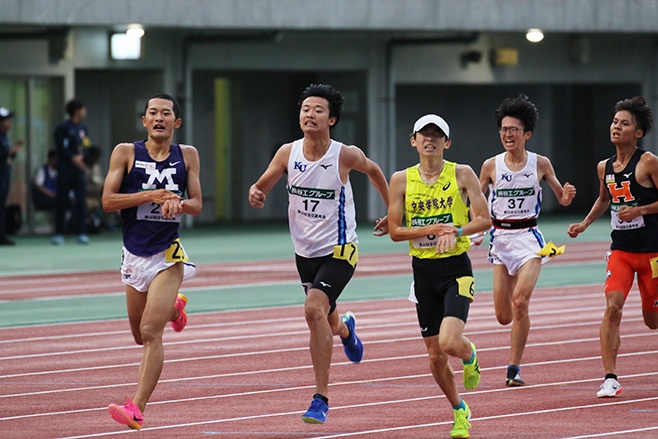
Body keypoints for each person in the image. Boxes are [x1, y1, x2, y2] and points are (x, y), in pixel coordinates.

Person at [248, 83, 389, 424]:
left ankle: (320, 399)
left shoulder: (344, 154)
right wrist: (256, 192)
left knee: (313, 310)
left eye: (318, 110)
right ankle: (346, 331)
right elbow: (263, 183)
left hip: (340, 249)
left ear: (332, 119)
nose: (310, 114)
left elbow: (373, 171)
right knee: (325, 317)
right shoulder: (288, 153)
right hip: (305, 252)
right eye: (305, 109)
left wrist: (392, 211)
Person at [388, 114, 490, 439]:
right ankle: (460, 410)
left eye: (437, 135)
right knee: (434, 356)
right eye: (423, 135)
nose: (429, 140)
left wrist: (457, 229)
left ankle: (469, 354)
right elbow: (394, 230)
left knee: (448, 343)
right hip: (422, 272)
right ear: (413, 141)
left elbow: (484, 219)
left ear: (447, 142)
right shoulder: (401, 180)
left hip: (456, 268)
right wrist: (432, 229)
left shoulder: (462, 173)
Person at [104, 93, 202, 430]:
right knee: (137, 335)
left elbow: (198, 203)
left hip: (167, 255)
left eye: (166, 113)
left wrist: (180, 204)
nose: (158, 118)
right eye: (152, 113)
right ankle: (175, 309)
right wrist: (151, 195)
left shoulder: (187, 155)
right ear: (144, 121)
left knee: (150, 332)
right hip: (134, 254)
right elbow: (107, 201)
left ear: (176, 123)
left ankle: (137, 407)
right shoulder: (126, 153)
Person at [479, 94, 577, 387]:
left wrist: (566, 195)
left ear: (527, 134)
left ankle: (514, 368)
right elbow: (474, 200)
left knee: (520, 302)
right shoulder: (490, 166)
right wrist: (473, 228)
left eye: (514, 130)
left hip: (529, 239)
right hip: (500, 239)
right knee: (502, 315)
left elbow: (561, 196)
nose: (508, 135)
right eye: (504, 130)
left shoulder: (540, 163)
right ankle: (513, 357)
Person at [567, 96, 658, 398]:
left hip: (652, 253)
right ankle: (610, 377)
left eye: (625, 124)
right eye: (615, 122)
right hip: (620, 252)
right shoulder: (604, 167)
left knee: (652, 321)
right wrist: (585, 223)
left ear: (639, 133)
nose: (617, 127)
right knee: (612, 307)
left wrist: (641, 211)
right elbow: (605, 199)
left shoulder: (648, 163)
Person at [52, 99, 91, 245]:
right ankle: (59, 233)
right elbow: (61, 148)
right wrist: (73, 158)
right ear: (76, 111)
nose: (84, 112)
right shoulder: (63, 128)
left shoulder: (83, 128)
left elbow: (86, 145)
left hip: (78, 171)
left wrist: (83, 156)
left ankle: (81, 231)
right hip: (65, 169)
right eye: (82, 109)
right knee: (61, 200)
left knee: (81, 200)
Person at [0, 107, 24, 245]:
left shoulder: (4, 137)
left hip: (4, 177)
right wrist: (12, 150)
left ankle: (2, 235)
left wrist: (13, 151)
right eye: (6, 121)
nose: (9, 123)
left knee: (2, 206)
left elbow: (7, 157)